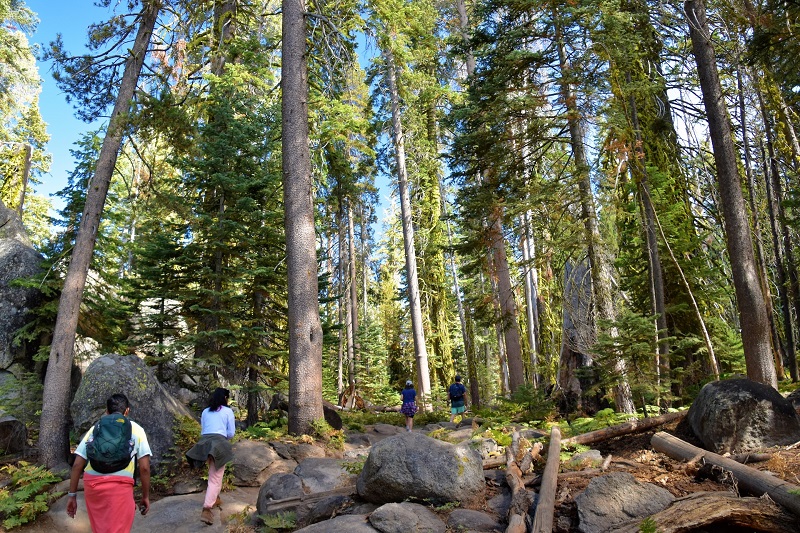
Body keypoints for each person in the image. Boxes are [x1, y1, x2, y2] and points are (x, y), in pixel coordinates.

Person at [66, 393, 152, 533]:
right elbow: (144, 468)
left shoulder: (96, 429)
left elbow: (77, 465)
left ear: (106, 411)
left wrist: (72, 495)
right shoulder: (136, 429)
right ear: (127, 411)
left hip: (93, 486)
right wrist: (145, 496)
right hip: (120, 486)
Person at [185, 387, 235, 525]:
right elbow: (231, 433)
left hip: (204, 443)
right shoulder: (227, 411)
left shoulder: (206, 411)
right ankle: (207, 509)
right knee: (215, 476)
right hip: (219, 443)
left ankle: (216, 498)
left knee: (213, 473)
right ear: (225, 398)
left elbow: (203, 431)